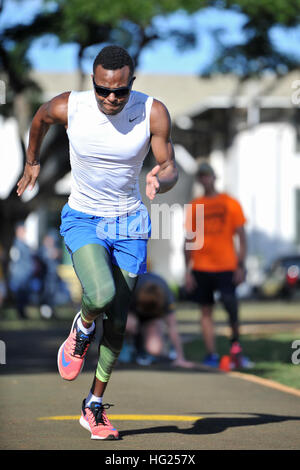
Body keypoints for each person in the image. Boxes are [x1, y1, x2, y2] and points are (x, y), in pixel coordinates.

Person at [16, 45, 178, 440]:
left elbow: (168, 163)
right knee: (101, 295)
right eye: (103, 89)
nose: (110, 98)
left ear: (131, 84)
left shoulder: (152, 111)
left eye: (119, 91)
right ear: (93, 82)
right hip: (85, 218)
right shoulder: (71, 106)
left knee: (120, 324)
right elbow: (39, 118)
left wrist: (161, 178)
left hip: (129, 223)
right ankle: (83, 327)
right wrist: (32, 160)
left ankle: (93, 407)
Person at [184, 162, 248, 368]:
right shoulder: (195, 206)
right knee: (205, 311)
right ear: (199, 180)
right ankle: (211, 354)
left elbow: (242, 237)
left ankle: (236, 348)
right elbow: (188, 239)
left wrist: (241, 265)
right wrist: (187, 271)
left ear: (214, 177)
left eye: (207, 175)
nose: (205, 179)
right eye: (201, 176)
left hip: (226, 266)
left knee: (231, 308)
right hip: (201, 267)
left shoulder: (230, 203)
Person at [119, 272, 196, 369]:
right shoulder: (132, 287)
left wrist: (180, 358)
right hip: (132, 314)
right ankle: (126, 346)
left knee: (155, 349)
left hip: (152, 319)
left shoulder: (166, 295)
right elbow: (112, 315)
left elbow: (173, 327)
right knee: (128, 324)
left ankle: (148, 349)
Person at [8, 222, 35, 319]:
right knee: (20, 295)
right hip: (20, 275)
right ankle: (21, 314)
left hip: (25, 274)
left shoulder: (24, 244)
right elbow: (15, 259)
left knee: (25, 295)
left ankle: (23, 313)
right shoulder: (17, 244)